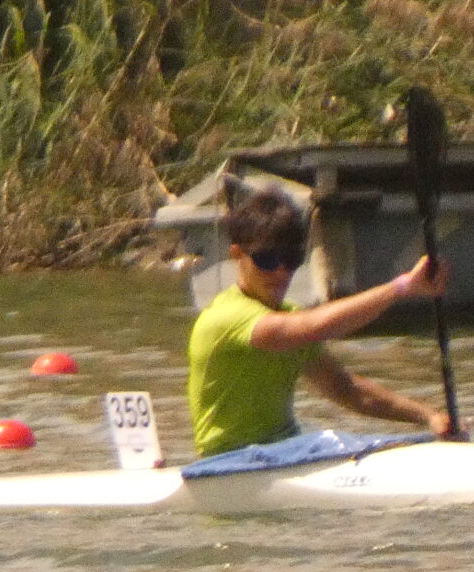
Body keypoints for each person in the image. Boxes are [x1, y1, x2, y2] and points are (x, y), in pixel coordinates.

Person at [186, 188, 451, 457]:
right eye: (266, 260)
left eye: (290, 260)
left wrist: (429, 417)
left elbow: (344, 389)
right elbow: (317, 326)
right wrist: (403, 286)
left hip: (285, 449)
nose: (280, 272)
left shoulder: (289, 315)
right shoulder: (226, 317)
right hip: (228, 460)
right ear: (237, 254)